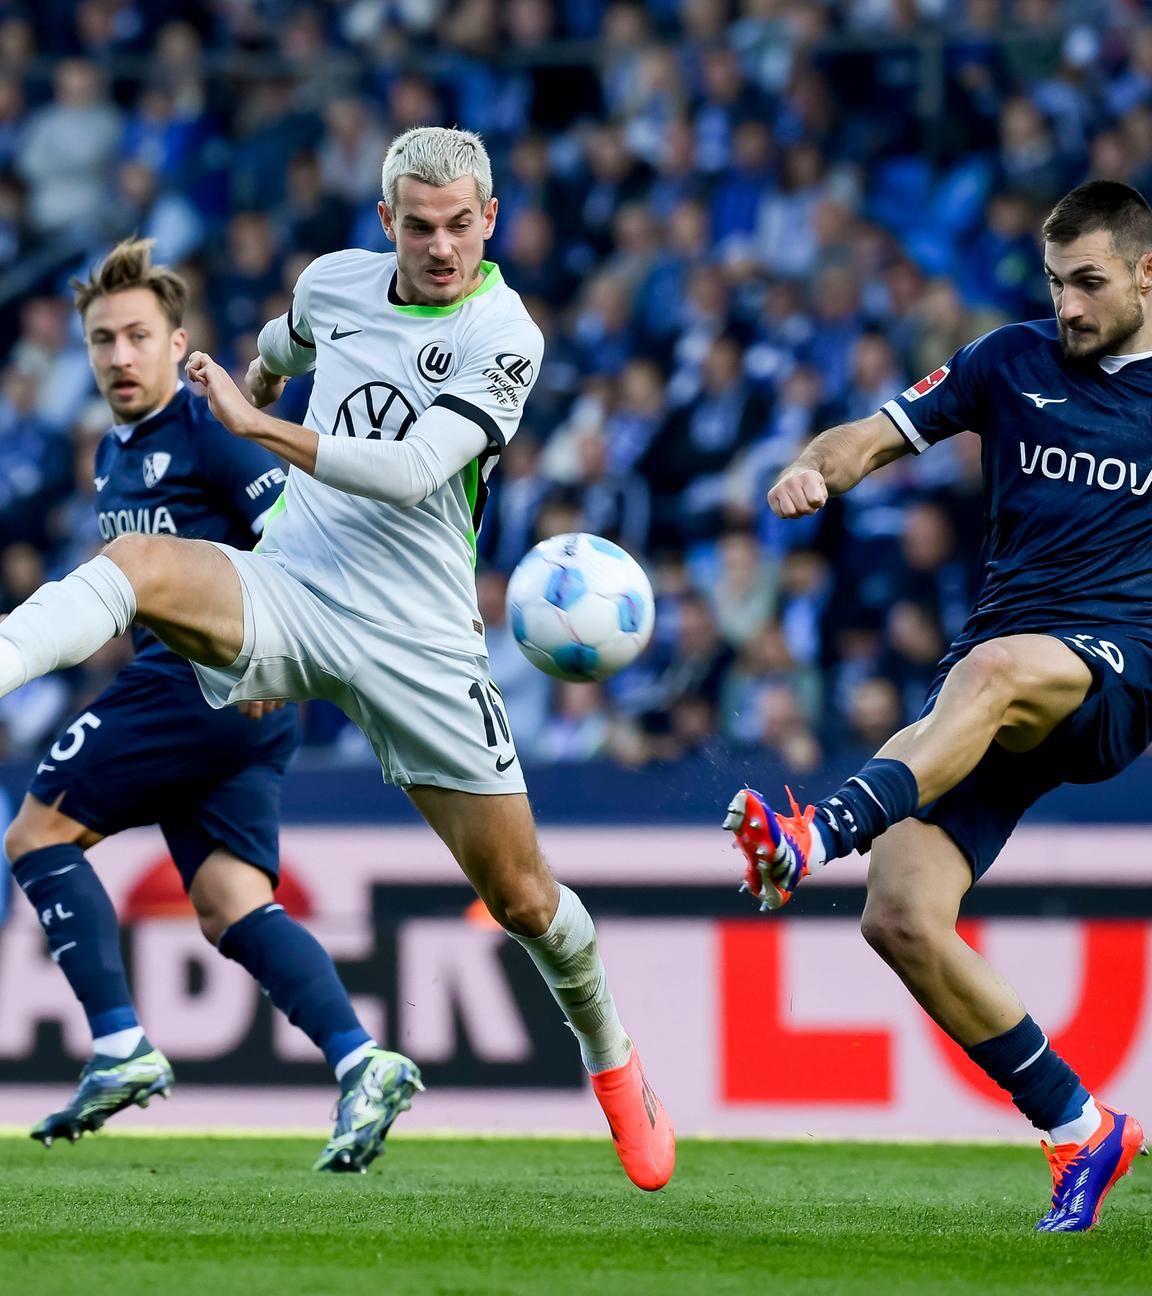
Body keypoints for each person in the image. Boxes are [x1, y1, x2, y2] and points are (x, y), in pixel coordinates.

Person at [0, 129, 675, 1191]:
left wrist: (255, 424)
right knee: (135, 561)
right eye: (419, 225)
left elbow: (410, 473)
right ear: (385, 223)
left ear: (490, 220)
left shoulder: (506, 332)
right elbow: (289, 333)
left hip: (419, 637)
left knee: (522, 897)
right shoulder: (337, 283)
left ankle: (614, 1059)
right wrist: (263, 371)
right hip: (297, 588)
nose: (441, 246)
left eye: (461, 224)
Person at [725, 180, 1152, 1233]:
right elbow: (864, 438)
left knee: (999, 670)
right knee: (902, 917)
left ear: (1150, 274)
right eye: (1056, 284)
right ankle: (1078, 1128)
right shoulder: (1008, 360)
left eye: (1091, 285)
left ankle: (814, 830)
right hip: (992, 674)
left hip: (1113, 669)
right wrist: (811, 470)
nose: (1070, 309)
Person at [2, 239, 401, 1172]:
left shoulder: (213, 429)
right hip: (219, 705)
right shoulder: (112, 449)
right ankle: (363, 1061)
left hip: (212, 685)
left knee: (35, 837)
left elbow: (298, 545)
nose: (118, 356)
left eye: (138, 335)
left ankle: (118, 1044)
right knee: (230, 907)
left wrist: (279, 665)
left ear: (178, 342)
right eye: (101, 339)